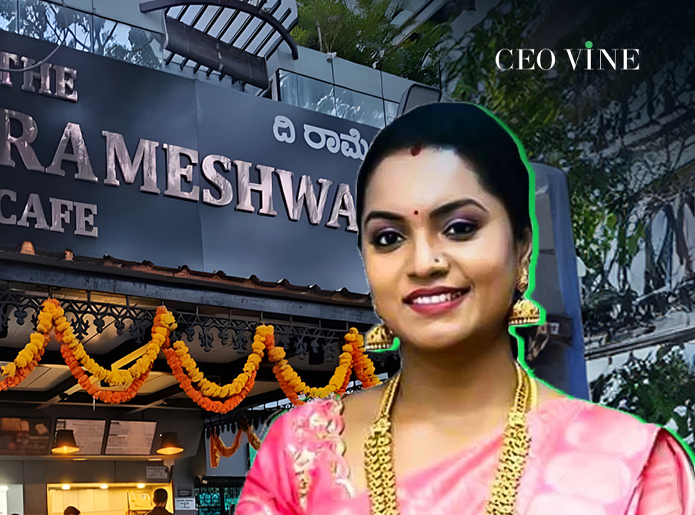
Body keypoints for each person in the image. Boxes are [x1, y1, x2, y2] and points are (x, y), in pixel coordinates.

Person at [237, 102, 695, 515]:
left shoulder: (631, 466)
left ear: (522, 248)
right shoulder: (298, 456)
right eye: (388, 238)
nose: (423, 263)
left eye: (459, 227)